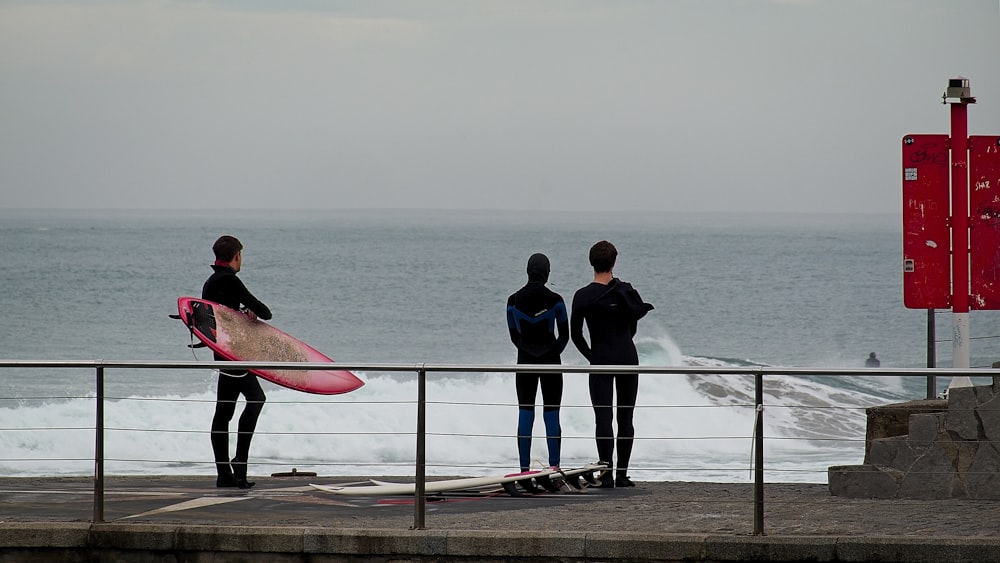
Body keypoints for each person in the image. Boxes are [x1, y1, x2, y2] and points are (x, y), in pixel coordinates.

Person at [571, 240, 654, 488]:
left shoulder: (582, 296)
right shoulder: (627, 292)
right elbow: (633, 327)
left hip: (601, 360)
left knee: (603, 417)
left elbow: (576, 334)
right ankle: (623, 475)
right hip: (628, 357)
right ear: (614, 262)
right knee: (626, 417)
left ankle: (606, 474)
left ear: (591, 263)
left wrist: (592, 356)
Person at [202, 235, 272, 489]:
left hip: (222, 355)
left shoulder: (210, 282)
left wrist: (241, 313)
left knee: (224, 412)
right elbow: (265, 312)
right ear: (237, 255)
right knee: (255, 399)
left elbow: (220, 318)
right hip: (234, 357)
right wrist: (249, 312)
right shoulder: (230, 280)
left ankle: (225, 474)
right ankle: (238, 465)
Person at [506, 253, 569, 472]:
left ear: (527, 271)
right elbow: (565, 336)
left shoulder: (512, 300)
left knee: (525, 412)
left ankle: (524, 469)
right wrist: (551, 355)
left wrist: (528, 353)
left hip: (524, 361)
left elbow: (514, 336)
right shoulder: (556, 300)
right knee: (551, 413)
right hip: (551, 362)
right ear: (547, 273)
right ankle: (555, 467)